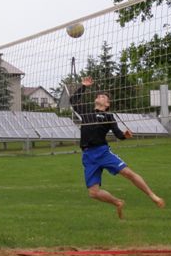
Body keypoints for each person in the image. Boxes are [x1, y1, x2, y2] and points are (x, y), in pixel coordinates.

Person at [70, 76, 165, 219]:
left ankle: (153, 196)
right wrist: (83, 86)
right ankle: (118, 202)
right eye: (99, 95)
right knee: (93, 193)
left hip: (102, 152)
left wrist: (125, 135)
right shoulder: (86, 113)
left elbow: (118, 134)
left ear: (107, 104)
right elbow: (73, 101)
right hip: (88, 156)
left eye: (103, 97)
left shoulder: (109, 117)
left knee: (128, 174)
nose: (100, 96)